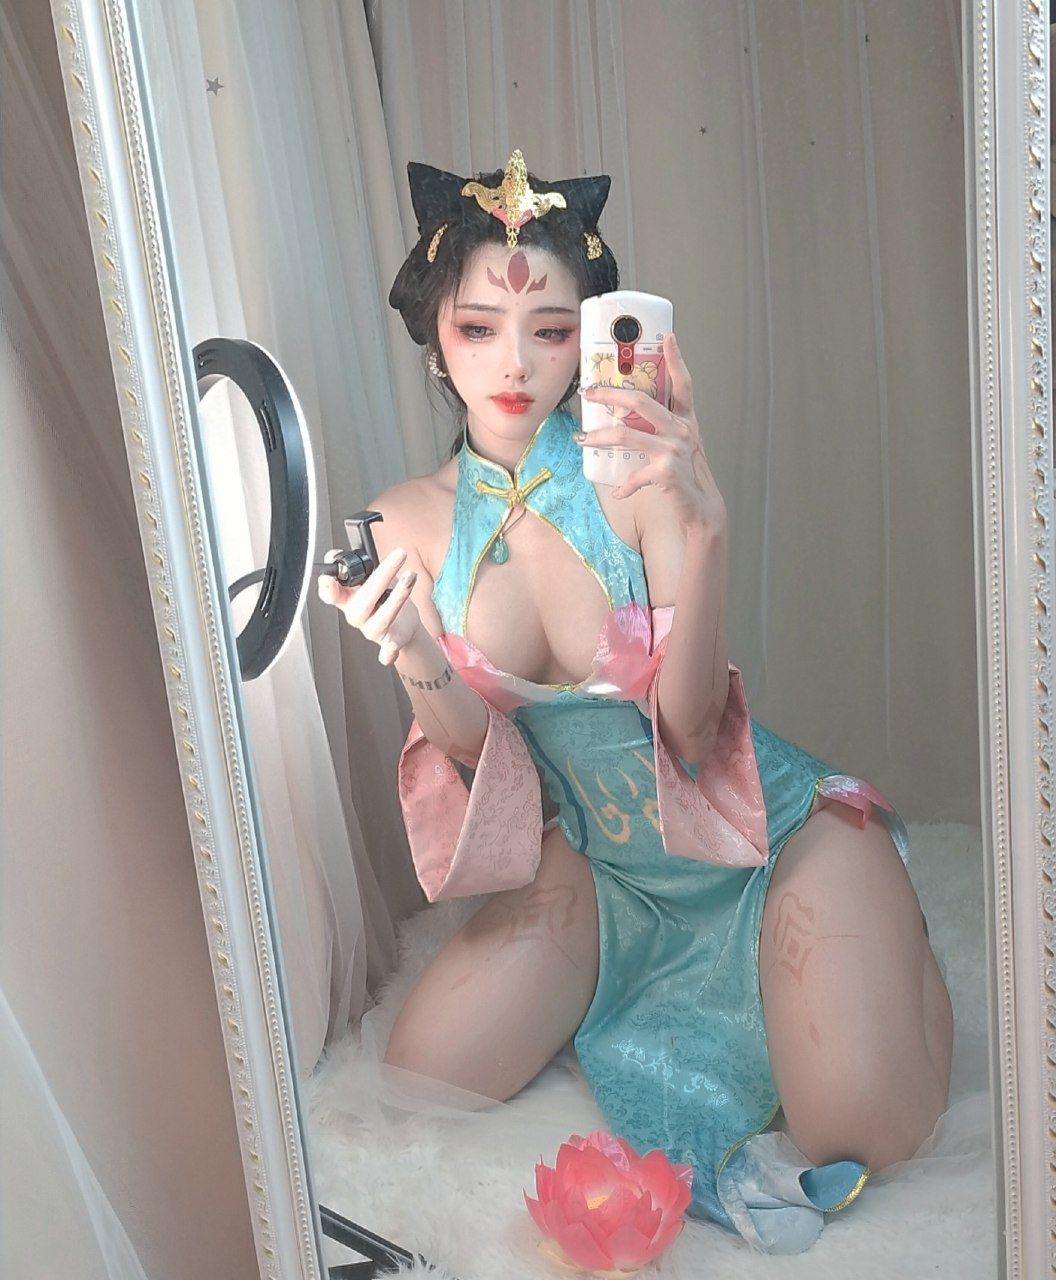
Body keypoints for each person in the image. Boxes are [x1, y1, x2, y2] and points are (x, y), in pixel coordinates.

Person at [317, 150, 954, 1254]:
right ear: (434, 335)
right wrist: (411, 645)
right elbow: (480, 766)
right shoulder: (408, 516)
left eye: (550, 330)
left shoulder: (638, 473)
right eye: (479, 328)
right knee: (423, 1076)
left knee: (864, 1130)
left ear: (591, 335)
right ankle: (671, 989)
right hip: (601, 868)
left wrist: (703, 528)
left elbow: (695, 731)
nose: (516, 362)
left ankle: (881, 941)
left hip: (759, 838)